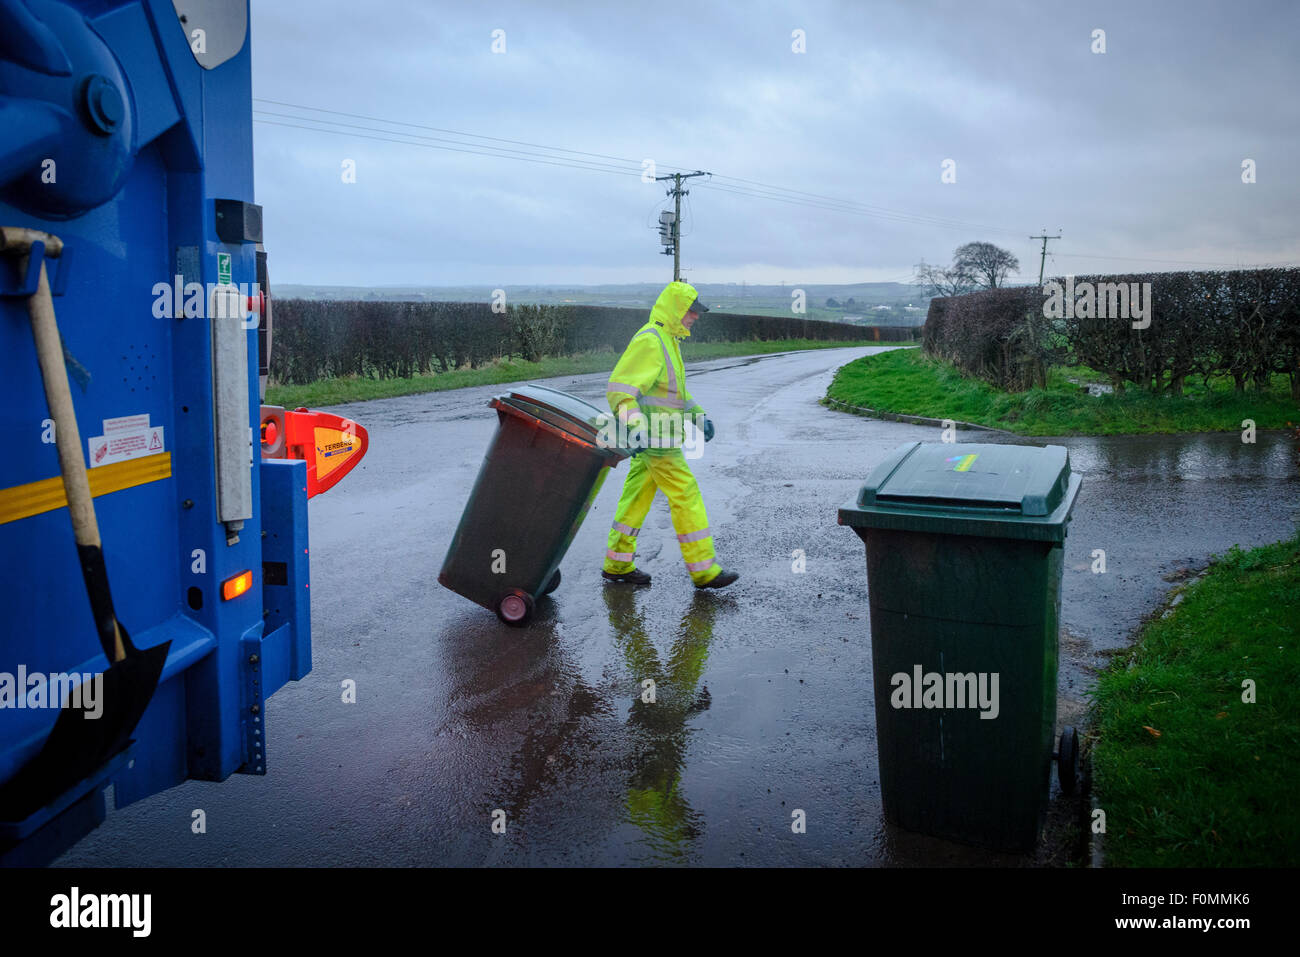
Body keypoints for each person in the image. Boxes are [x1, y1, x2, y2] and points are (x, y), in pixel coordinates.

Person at [601, 280, 738, 589]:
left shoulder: (669, 341)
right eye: (692, 311)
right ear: (677, 309)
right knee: (685, 494)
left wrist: (699, 417)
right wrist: (637, 430)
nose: (696, 317)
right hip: (656, 442)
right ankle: (704, 570)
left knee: (635, 499)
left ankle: (617, 564)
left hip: (658, 440)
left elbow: (676, 395)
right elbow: (619, 392)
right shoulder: (651, 340)